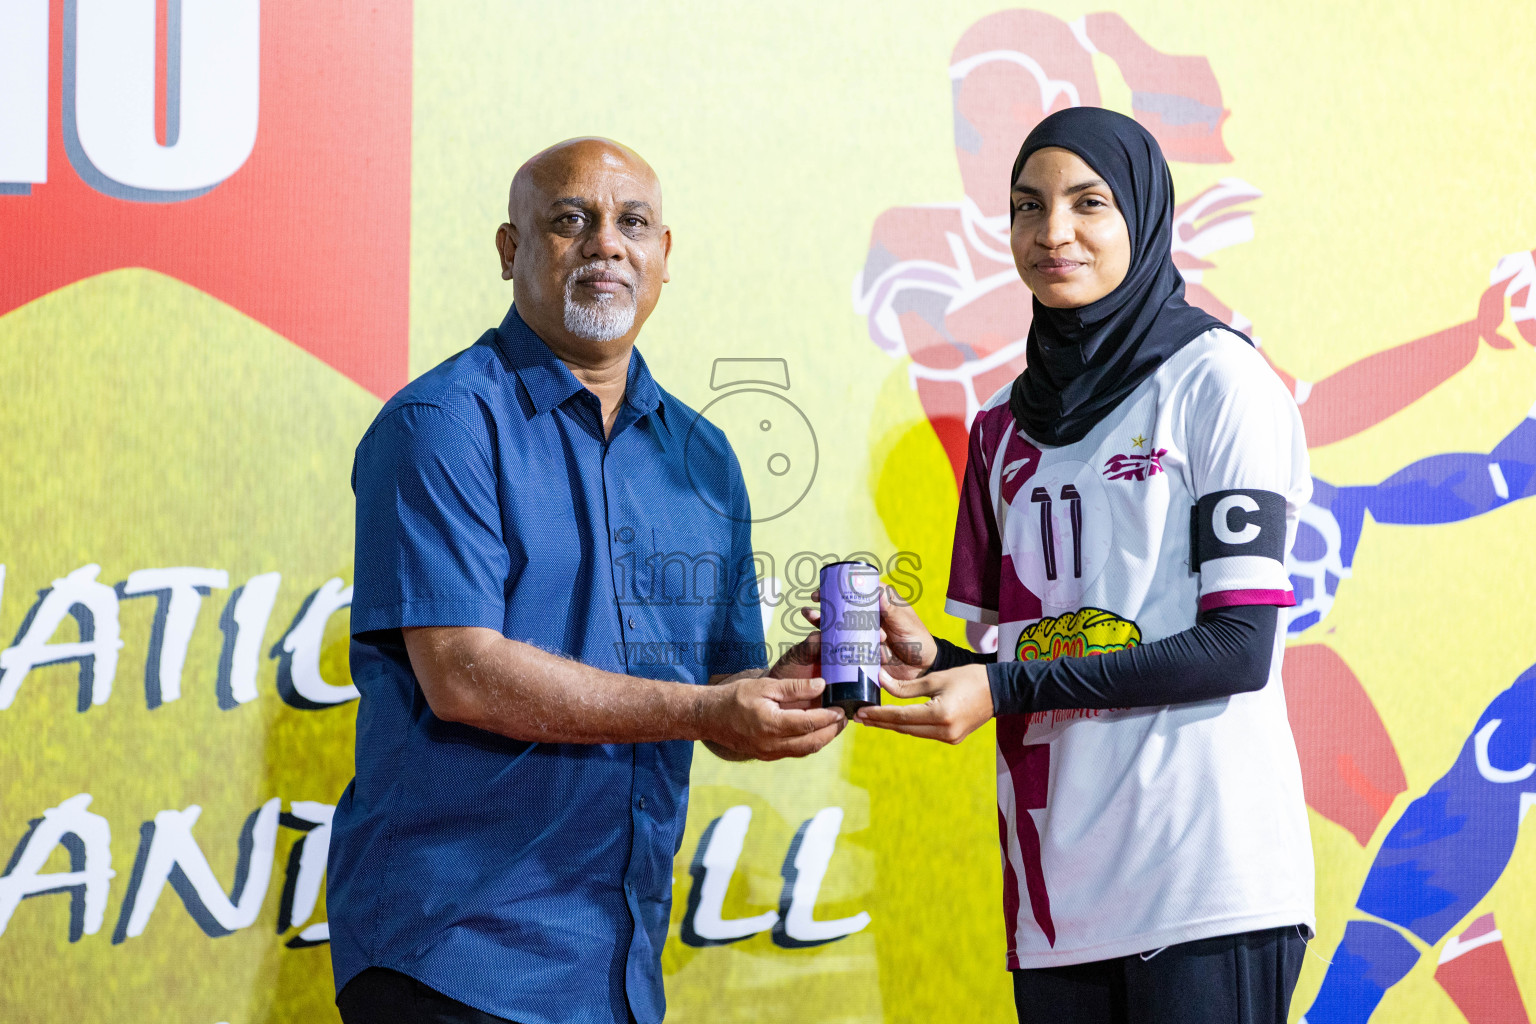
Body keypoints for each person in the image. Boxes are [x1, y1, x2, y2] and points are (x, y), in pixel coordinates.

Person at [325, 137, 845, 1024]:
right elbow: (461, 673)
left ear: (664, 258)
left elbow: (720, 693)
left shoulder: (705, 458)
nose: (606, 243)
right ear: (509, 250)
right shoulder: (441, 424)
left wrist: (802, 680)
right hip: (452, 953)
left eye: (631, 223)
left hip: (620, 966)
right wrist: (703, 710)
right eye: (571, 220)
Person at [857, 106, 1315, 1023]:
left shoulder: (1219, 381)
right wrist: (937, 664)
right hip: (1058, 902)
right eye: (1028, 207)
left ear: (1143, 217)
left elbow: (1236, 649)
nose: (1052, 233)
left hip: (1206, 884)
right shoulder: (997, 430)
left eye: (1088, 203)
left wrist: (1003, 687)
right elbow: (1027, 661)